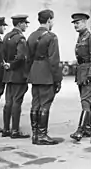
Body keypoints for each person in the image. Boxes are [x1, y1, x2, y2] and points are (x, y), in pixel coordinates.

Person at [27, 9, 62, 145]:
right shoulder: (51, 37)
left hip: (34, 73)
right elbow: (54, 61)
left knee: (35, 104)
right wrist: (57, 79)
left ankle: (35, 134)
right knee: (45, 104)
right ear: (49, 20)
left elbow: (28, 58)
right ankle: (42, 135)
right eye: (52, 20)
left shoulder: (31, 36)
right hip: (46, 73)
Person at [69, 13, 91, 142]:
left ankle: (80, 130)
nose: (75, 25)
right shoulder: (80, 37)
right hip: (81, 72)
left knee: (85, 100)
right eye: (74, 23)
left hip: (88, 72)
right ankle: (87, 128)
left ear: (84, 22)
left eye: (78, 23)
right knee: (86, 101)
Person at [1, 15, 30, 139]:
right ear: (20, 24)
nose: (26, 26)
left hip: (8, 74)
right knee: (17, 102)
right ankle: (15, 130)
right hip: (18, 74)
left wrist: (7, 65)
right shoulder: (20, 38)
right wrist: (12, 65)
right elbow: (21, 56)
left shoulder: (6, 36)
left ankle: (6, 129)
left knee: (8, 102)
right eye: (25, 23)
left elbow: (1, 54)